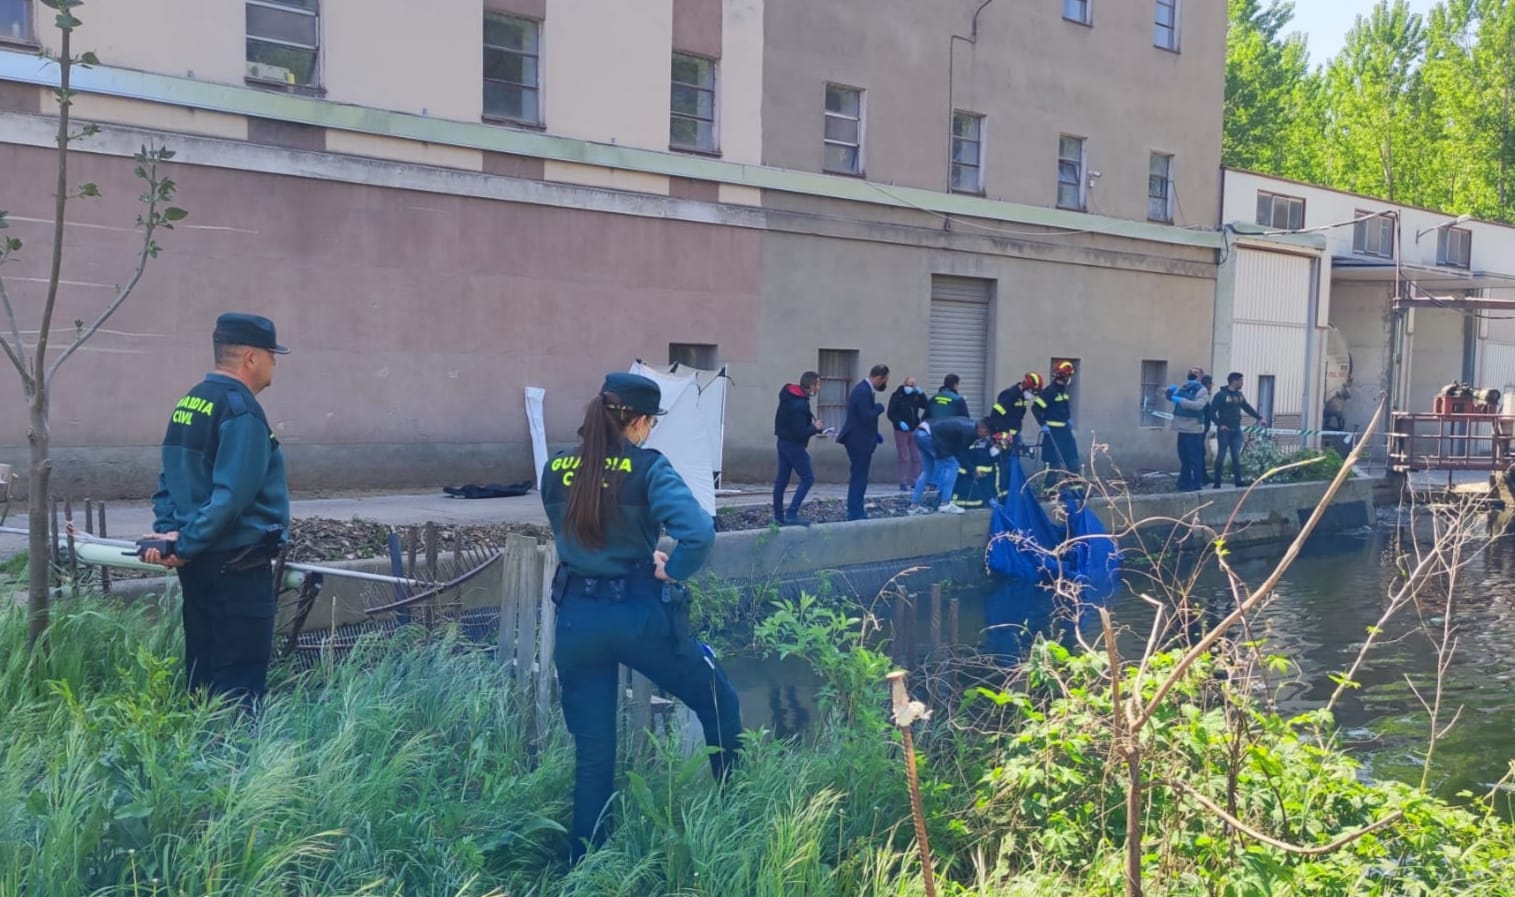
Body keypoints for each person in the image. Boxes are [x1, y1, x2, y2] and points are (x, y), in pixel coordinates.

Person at [540, 372, 741, 863]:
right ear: (638, 421)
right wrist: (672, 569)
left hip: (576, 620)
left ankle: (585, 866)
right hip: (636, 615)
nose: (650, 432)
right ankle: (736, 817)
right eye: (650, 423)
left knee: (593, 755)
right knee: (719, 701)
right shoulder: (647, 468)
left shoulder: (554, 469)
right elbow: (698, 534)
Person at [143, 313, 290, 711]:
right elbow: (232, 496)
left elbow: (167, 478)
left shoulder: (191, 402)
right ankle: (237, 769)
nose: (275, 363)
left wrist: (171, 535)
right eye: (272, 355)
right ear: (251, 358)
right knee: (238, 686)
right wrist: (184, 543)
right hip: (237, 566)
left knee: (202, 675)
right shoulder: (241, 411)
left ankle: (197, 762)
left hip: (199, 565)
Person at [773, 371, 829, 526]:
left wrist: (814, 428)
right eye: (818, 384)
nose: (819, 387)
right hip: (794, 446)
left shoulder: (791, 396)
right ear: (811, 386)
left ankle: (778, 517)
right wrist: (814, 428)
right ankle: (791, 513)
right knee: (808, 478)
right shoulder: (798, 404)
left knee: (781, 481)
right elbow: (798, 432)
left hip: (782, 442)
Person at [837, 364, 890, 521]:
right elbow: (866, 416)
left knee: (859, 476)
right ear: (878, 378)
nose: (884, 384)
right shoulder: (863, 391)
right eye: (884, 380)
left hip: (861, 438)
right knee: (859, 477)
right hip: (858, 441)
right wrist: (879, 408)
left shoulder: (864, 390)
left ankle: (856, 509)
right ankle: (855, 512)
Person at [907, 416, 986, 515]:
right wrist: (973, 470)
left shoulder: (967, 424)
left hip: (919, 432)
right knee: (953, 465)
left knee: (927, 471)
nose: (985, 436)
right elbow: (962, 455)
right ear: (982, 428)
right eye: (986, 433)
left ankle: (914, 506)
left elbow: (956, 449)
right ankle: (945, 504)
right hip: (930, 436)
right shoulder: (970, 431)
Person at [1210, 371, 1266, 488]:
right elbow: (1211, 411)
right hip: (1224, 430)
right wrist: (1219, 424)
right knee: (1221, 454)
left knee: (1236, 455)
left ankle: (1238, 480)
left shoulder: (1239, 395)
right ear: (1234, 381)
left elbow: (1246, 407)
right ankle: (1217, 482)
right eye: (1240, 380)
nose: (1242, 383)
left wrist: (1259, 417)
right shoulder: (1221, 395)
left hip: (1236, 429)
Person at [1166, 367, 1210, 492]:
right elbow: (1173, 398)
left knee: (1194, 458)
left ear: (1201, 376)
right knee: (1184, 457)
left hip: (1193, 429)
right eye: (1191, 371)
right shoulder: (1184, 387)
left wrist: (1180, 400)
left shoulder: (1202, 390)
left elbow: (1198, 406)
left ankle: (1196, 483)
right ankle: (1184, 482)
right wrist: (1169, 394)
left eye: (1195, 372)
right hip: (1181, 428)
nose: (1192, 374)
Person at [886, 376, 929, 490]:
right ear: (904, 384)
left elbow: (925, 405)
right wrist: (899, 422)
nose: (910, 387)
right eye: (909, 385)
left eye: (913, 385)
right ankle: (903, 482)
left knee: (916, 456)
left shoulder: (915, 396)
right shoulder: (897, 396)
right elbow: (890, 413)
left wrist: (921, 394)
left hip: (914, 428)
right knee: (903, 456)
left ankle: (914, 480)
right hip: (901, 430)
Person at [1040, 361, 1080, 483]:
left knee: (1073, 460)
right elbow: (1036, 408)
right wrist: (1043, 424)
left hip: (1065, 432)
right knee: (1054, 463)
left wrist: (1068, 419)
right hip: (1053, 433)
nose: (1070, 379)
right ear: (1064, 376)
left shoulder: (1063, 390)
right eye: (1069, 376)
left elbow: (1065, 407)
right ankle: (1049, 490)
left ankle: (1076, 489)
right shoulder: (1050, 391)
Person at [989, 371, 1047, 448]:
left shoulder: (1023, 398)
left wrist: (1017, 435)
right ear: (1026, 386)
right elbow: (995, 415)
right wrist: (1005, 433)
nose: (1031, 395)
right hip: (1002, 436)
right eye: (1032, 391)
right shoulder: (1010, 395)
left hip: (1013, 436)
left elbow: (1018, 417)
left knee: (1014, 458)